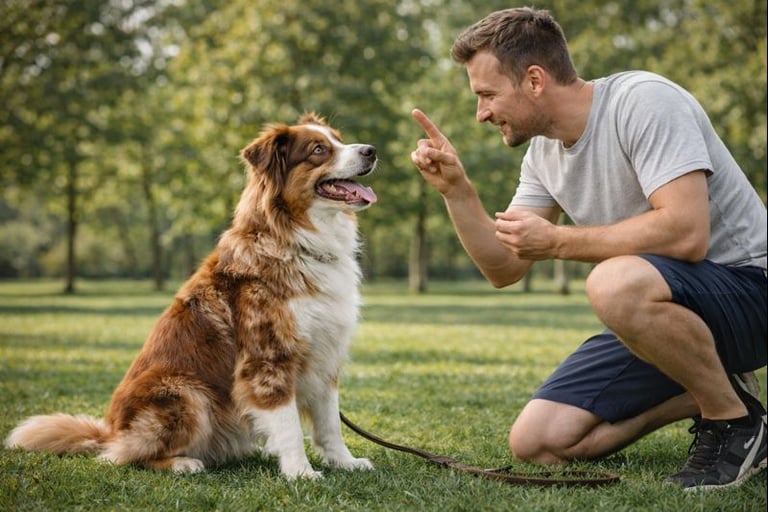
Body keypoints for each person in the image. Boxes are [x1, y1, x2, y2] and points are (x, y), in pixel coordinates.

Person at [410, 7, 767, 490]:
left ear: (535, 80)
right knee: (537, 442)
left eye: (488, 95)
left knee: (612, 281)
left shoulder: (644, 102)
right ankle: (715, 389)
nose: (482, 113)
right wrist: (457, 191)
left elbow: (687, 232)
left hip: (749, 289)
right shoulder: (544, 153)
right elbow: (505, 268)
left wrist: (558, 242)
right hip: (671, 314)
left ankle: (735, 423)